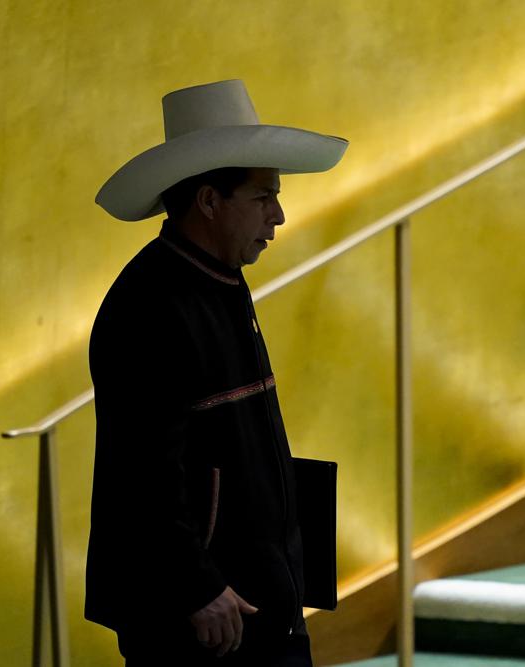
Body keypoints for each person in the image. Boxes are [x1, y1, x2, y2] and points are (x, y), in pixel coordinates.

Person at [86, 79, 347, 665]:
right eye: (262, 197)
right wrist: (195, 585)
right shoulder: (151, 303)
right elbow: (142, 469)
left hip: (253, 604)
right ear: (208, 201)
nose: (278, 215)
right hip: (204, 617)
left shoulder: (217, 280)